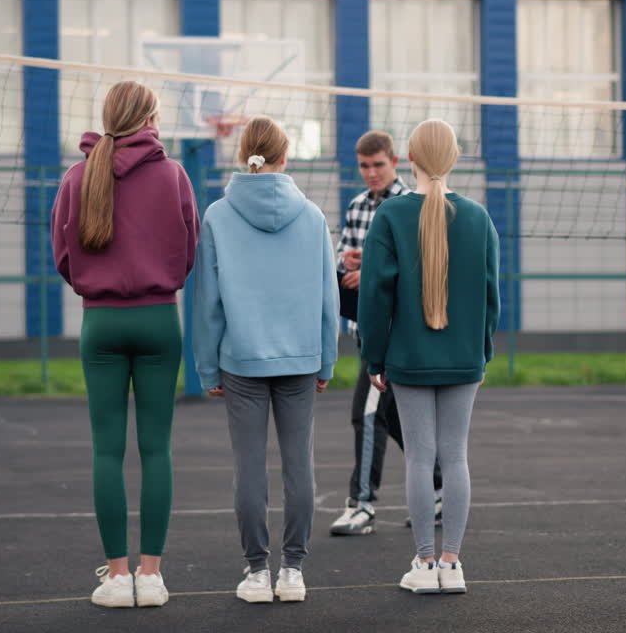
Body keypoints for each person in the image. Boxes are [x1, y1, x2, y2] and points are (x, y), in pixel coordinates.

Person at [51, 80, 199, 608]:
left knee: (107, 450)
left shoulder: (77, 175)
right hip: (160, 318)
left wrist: (99, 285)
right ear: (150, 118)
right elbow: (189, 245)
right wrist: (158, 281)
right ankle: (152, 577)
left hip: (102, 322)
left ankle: (117, 578)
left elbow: (63, 255)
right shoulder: (174, 174)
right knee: (156, 448)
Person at [192, 115, 338, 603]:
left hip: (241, 362)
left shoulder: (217, 215)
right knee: (300, 465)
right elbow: (327, 297)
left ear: (242, 155)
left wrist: (207, 367)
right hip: (300, 360)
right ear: (285, 155)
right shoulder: (313, 217)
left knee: (249, 468)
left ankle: (257, 571)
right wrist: (327, 361)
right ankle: (293, 570)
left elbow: (207, 301)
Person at [358, 119, 500, 595]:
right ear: (454, 158)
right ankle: (453, 564)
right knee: (455, 457)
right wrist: (481, 350)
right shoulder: (479, 217)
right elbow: (491, 295)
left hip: (410, 358)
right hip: (463, 357)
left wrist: (373, 357)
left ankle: (423, 564)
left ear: (410, 160)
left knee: (420, 458)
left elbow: (374, 297)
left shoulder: (391, 216)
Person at [330, 131, 443, 537]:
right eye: (364, 165)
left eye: (378, 164)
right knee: (393, 417)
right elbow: (346, 262)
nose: (371, 172)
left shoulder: (409, 205)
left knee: (366, 414)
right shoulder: (358, 206)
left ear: (395, 161)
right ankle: (439, 484)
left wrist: (373, 270)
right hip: (366, 325)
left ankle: (361, 504)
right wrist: (348, 264)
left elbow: (417, 271)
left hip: (397, 331)